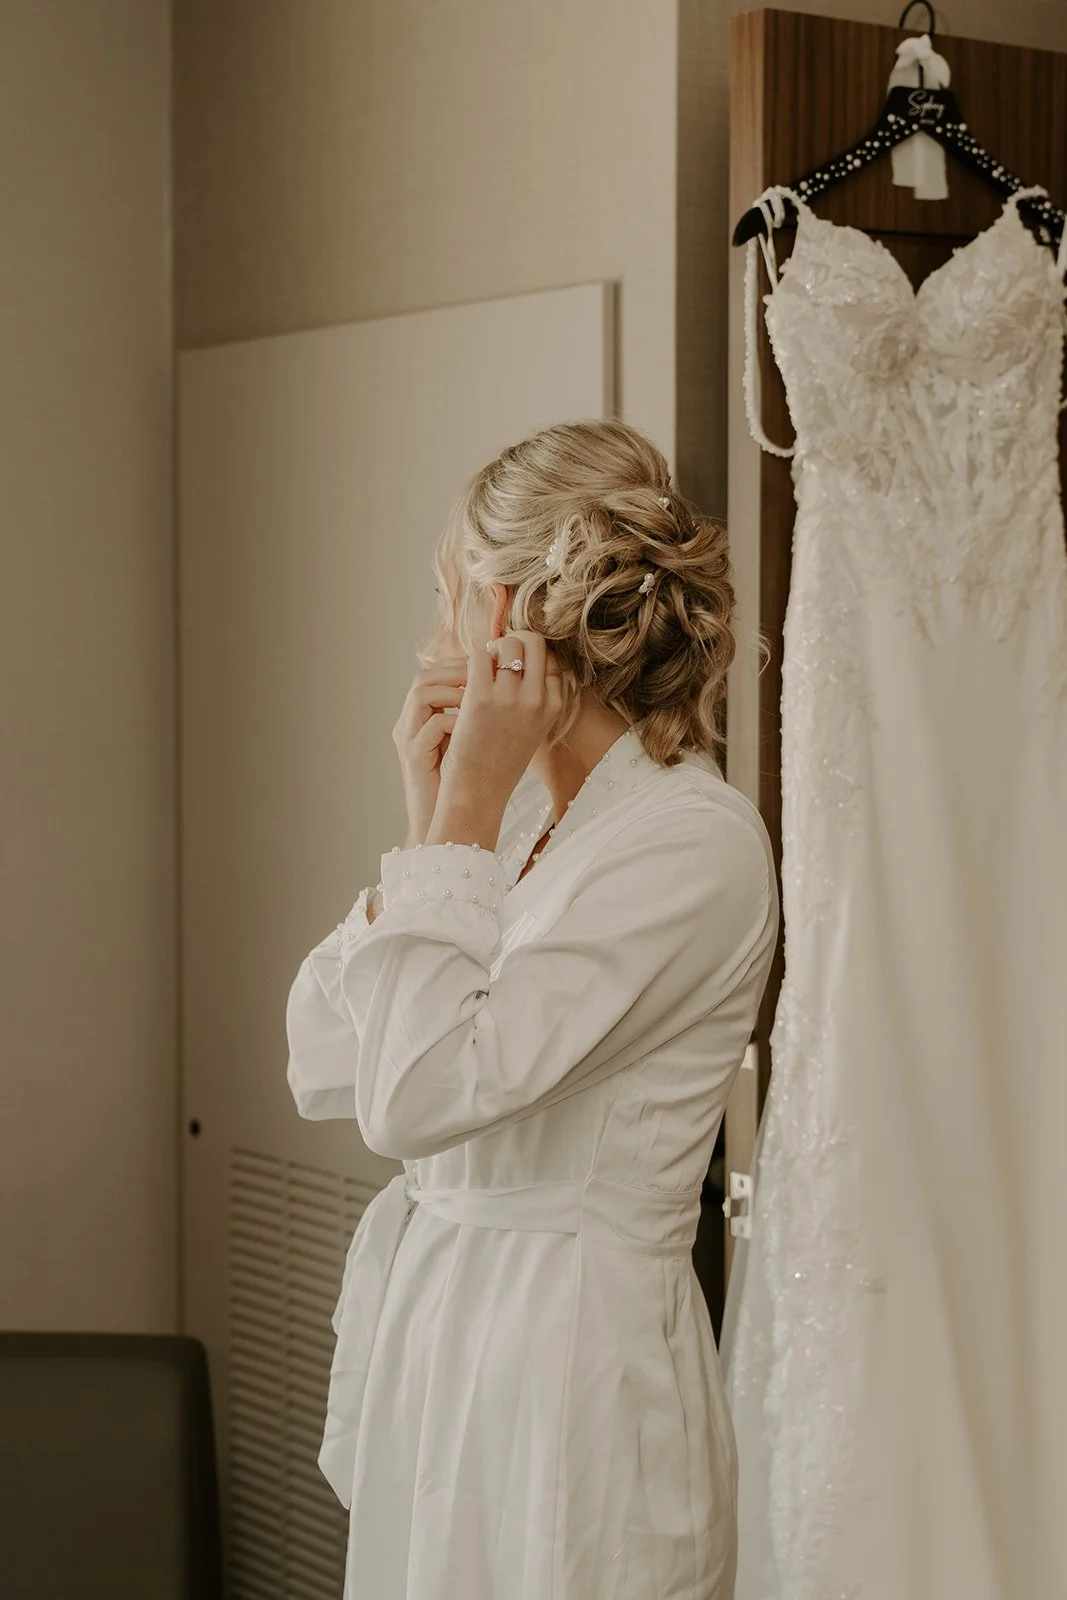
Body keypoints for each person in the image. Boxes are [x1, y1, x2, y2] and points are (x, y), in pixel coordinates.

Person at [284, 417, 779, 1599]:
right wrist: (434, 815)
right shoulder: (504, 826)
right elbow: (320, 1052)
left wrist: (453, 817)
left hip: (567, 1366)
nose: (429, 633)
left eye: (446, 595)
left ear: (506, 617)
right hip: (444, 1337)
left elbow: (411, 1099)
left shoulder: (689, 845)